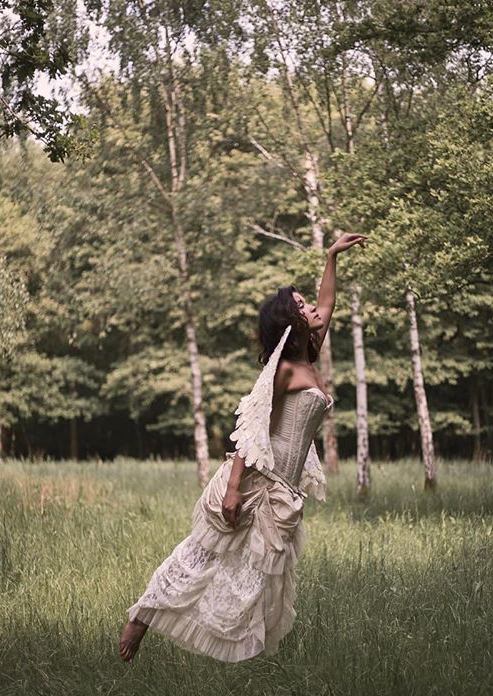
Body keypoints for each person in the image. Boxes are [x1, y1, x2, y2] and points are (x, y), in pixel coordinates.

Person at [119, 232, 368, 663]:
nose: (314, 309)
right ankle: (142, 615)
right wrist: (233, 489)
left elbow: (327, 306)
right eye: (303, 305)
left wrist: (332, 257)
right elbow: (253, 428)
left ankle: (242, 648)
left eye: (309, 303)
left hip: (283, 493)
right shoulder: (284, 370)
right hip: (256, 482)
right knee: (202, 554)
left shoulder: (308, 353)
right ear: (291, 323)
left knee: (250, 575)